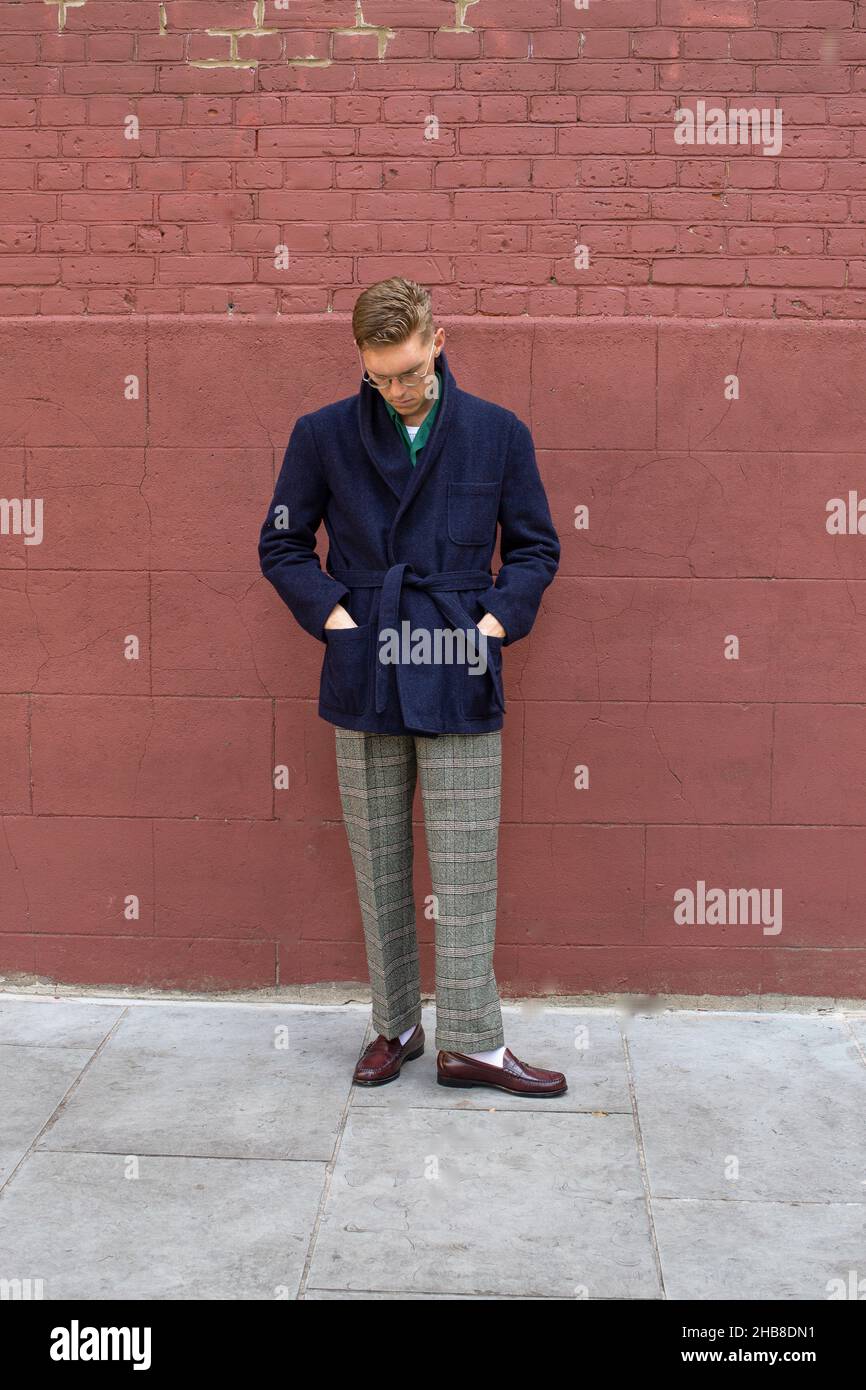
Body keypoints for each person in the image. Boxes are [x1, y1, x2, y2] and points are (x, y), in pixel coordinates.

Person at [258, 277, 567, 1097]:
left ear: (439, 341)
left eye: (409, 371)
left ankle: (475, 1043)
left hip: (459, 661)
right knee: (378, 859)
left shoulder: (498, 434)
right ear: (361, 362)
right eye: (379, 375)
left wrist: (491, 628)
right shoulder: (321, 435)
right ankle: (394, 1025)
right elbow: (283, 545)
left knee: (467, 863)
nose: (397, 390)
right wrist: (339, 624)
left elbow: (535, 549)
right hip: (366, 666)